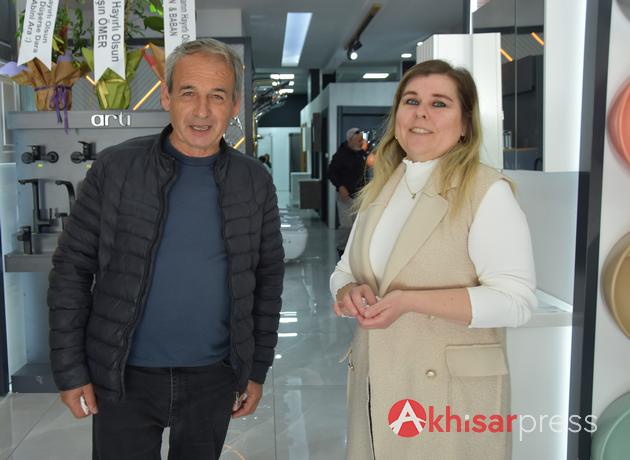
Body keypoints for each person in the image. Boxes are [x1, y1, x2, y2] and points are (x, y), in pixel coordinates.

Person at [48, 38, 285, 460]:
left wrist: (256, 368)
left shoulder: (253, 181)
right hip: (123, 375)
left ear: (234, 105)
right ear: (166, 96)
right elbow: (71, 269)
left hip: (214, 376)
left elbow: (268, 279)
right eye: (189, 93)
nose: (202, 111)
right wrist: (70, 370)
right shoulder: (116, 169)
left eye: (217, 96)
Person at [330, 60, 537, 459]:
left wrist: (409, 302)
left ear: (465, 124)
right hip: (378, 384)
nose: (421, 113)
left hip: (448, 398)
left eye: (439, 103)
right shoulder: (381, 189)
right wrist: (347, 290)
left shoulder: (486, 191)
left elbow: (516, 302)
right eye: (411, 101)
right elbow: (342, 271)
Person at [327, 127, 368, 256]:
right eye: (359, 140)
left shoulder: (362, 154)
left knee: (359, 225)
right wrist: (340, 186)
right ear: (350, 140)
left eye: (362, 139)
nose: (361, 142)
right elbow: (331, 173)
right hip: (345, 196)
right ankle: (342, 250)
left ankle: (355, 251)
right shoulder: (340, 155)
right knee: (347, 226)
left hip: (360, 195)